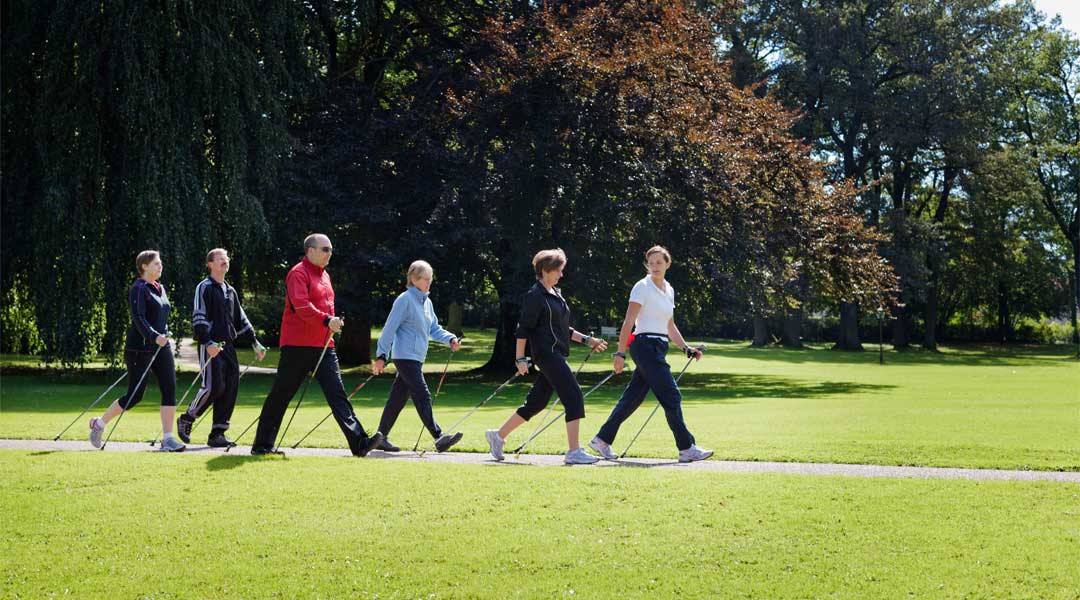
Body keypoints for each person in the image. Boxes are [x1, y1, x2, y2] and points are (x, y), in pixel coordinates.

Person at [250, 234, 382, 456]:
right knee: (281, 395)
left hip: (324, 347)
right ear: (310, 251)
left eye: (330, 249)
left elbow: (326, 308)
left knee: (337, 394)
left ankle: (360, 444)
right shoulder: (297, 273)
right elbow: (301, 306)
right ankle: (262, 445)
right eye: (325, 249)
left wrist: (332, 322)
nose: (329, 253)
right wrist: (326, 320)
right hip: (297, 347)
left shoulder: (326, 276)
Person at [589, 246, 712, 462]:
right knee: (672, 395)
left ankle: (601, 440)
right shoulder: (642, 287)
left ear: (667, 264)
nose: (654, 266)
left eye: (659, 262)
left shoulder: (669, 289)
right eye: (651, 262)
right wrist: (620, 353)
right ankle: (686, 448)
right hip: (644, 345)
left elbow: (670, 325)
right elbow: (628, 322)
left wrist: (686, 348)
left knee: (632, 399)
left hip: (659, 346)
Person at [485, 249, 607, 465]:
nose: (561, 274)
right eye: (558, 270)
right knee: (574, 396)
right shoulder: (535, 296)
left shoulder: (555, 294)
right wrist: (520, 358)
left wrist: (588, 340)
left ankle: (498, 435)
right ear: (545, 270)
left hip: (556, 353)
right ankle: (574, 451)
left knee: (536, 403)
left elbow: (563, 328)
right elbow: (523, 329)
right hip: (546, 354)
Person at [89, 250, 184, 452]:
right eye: (156, 263)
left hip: (161, 347)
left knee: (170, 389)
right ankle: (99, 424)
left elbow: (162, 317)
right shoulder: (139, 288)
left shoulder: (161, 288)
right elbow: (138, 318)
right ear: (144, 267)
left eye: (160, 263)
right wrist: (153, 336)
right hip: (139, 349)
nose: (160, 266)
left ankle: (167, 439)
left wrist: (163, 335)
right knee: (135, 396)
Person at [176, 248, 267, 447]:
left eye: (226, 258)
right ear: (210, 264)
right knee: (213, 387)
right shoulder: (204, 287)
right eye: (220, 259)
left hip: (228, 347)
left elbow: (241, 319)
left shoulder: (230, 290)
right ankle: (187, 418)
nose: (225, 261)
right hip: (210, 345)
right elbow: (198, 316)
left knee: (230, 388)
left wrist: (255, 343)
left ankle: (217, 434)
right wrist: (207, 342)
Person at [372, 260, 463, 452]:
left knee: (397, 399)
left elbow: (434, 329)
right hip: (404, 356)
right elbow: (389, 328)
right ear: (414, 279)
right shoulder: (404, 299)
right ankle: (439, 437)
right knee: (422, 394)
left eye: (430, 279)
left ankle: (381, 437)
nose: (429, 283)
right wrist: (381, 355)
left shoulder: (426, 302)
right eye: (425, 279)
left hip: (416, 357)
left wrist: (451, 339)